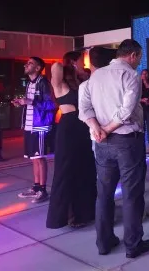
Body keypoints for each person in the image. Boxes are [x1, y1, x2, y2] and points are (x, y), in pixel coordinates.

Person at [79, 39, 149, 258]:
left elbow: (84, 108)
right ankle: (133, 245)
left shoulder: (95, 76)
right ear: (133, 55)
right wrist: (107, 129)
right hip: (127, 141)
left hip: (102, 143)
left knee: (104, 194)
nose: (138, 63)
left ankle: (104, 243)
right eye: (139, 58)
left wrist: (97, 128)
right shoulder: (130, 75)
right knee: (132, 194)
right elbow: (127, 110)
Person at [46, 51, 96, 229]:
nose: (84, 63)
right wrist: (71, 64)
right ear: (74, 61)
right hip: (68, 128)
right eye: (81, 60)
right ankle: (64, 217)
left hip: (83, 127)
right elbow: (56, 67)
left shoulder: (80, 82)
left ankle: (85, 213)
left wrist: (80, 72)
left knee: (85, 170)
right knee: (67, 170)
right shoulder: (60, 82)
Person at [13, 57, 55, 203]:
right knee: (33, 158)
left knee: (39, 158)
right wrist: (22, 102)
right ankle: (36, 187)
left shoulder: (43, 83)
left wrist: (30, 101)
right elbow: (31, 103)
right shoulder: (30, 83)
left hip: (40, 125)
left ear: (37, 68)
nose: (26, 65)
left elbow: (51, 105)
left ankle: (43, 190)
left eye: (30, 63)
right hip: (29, 125)